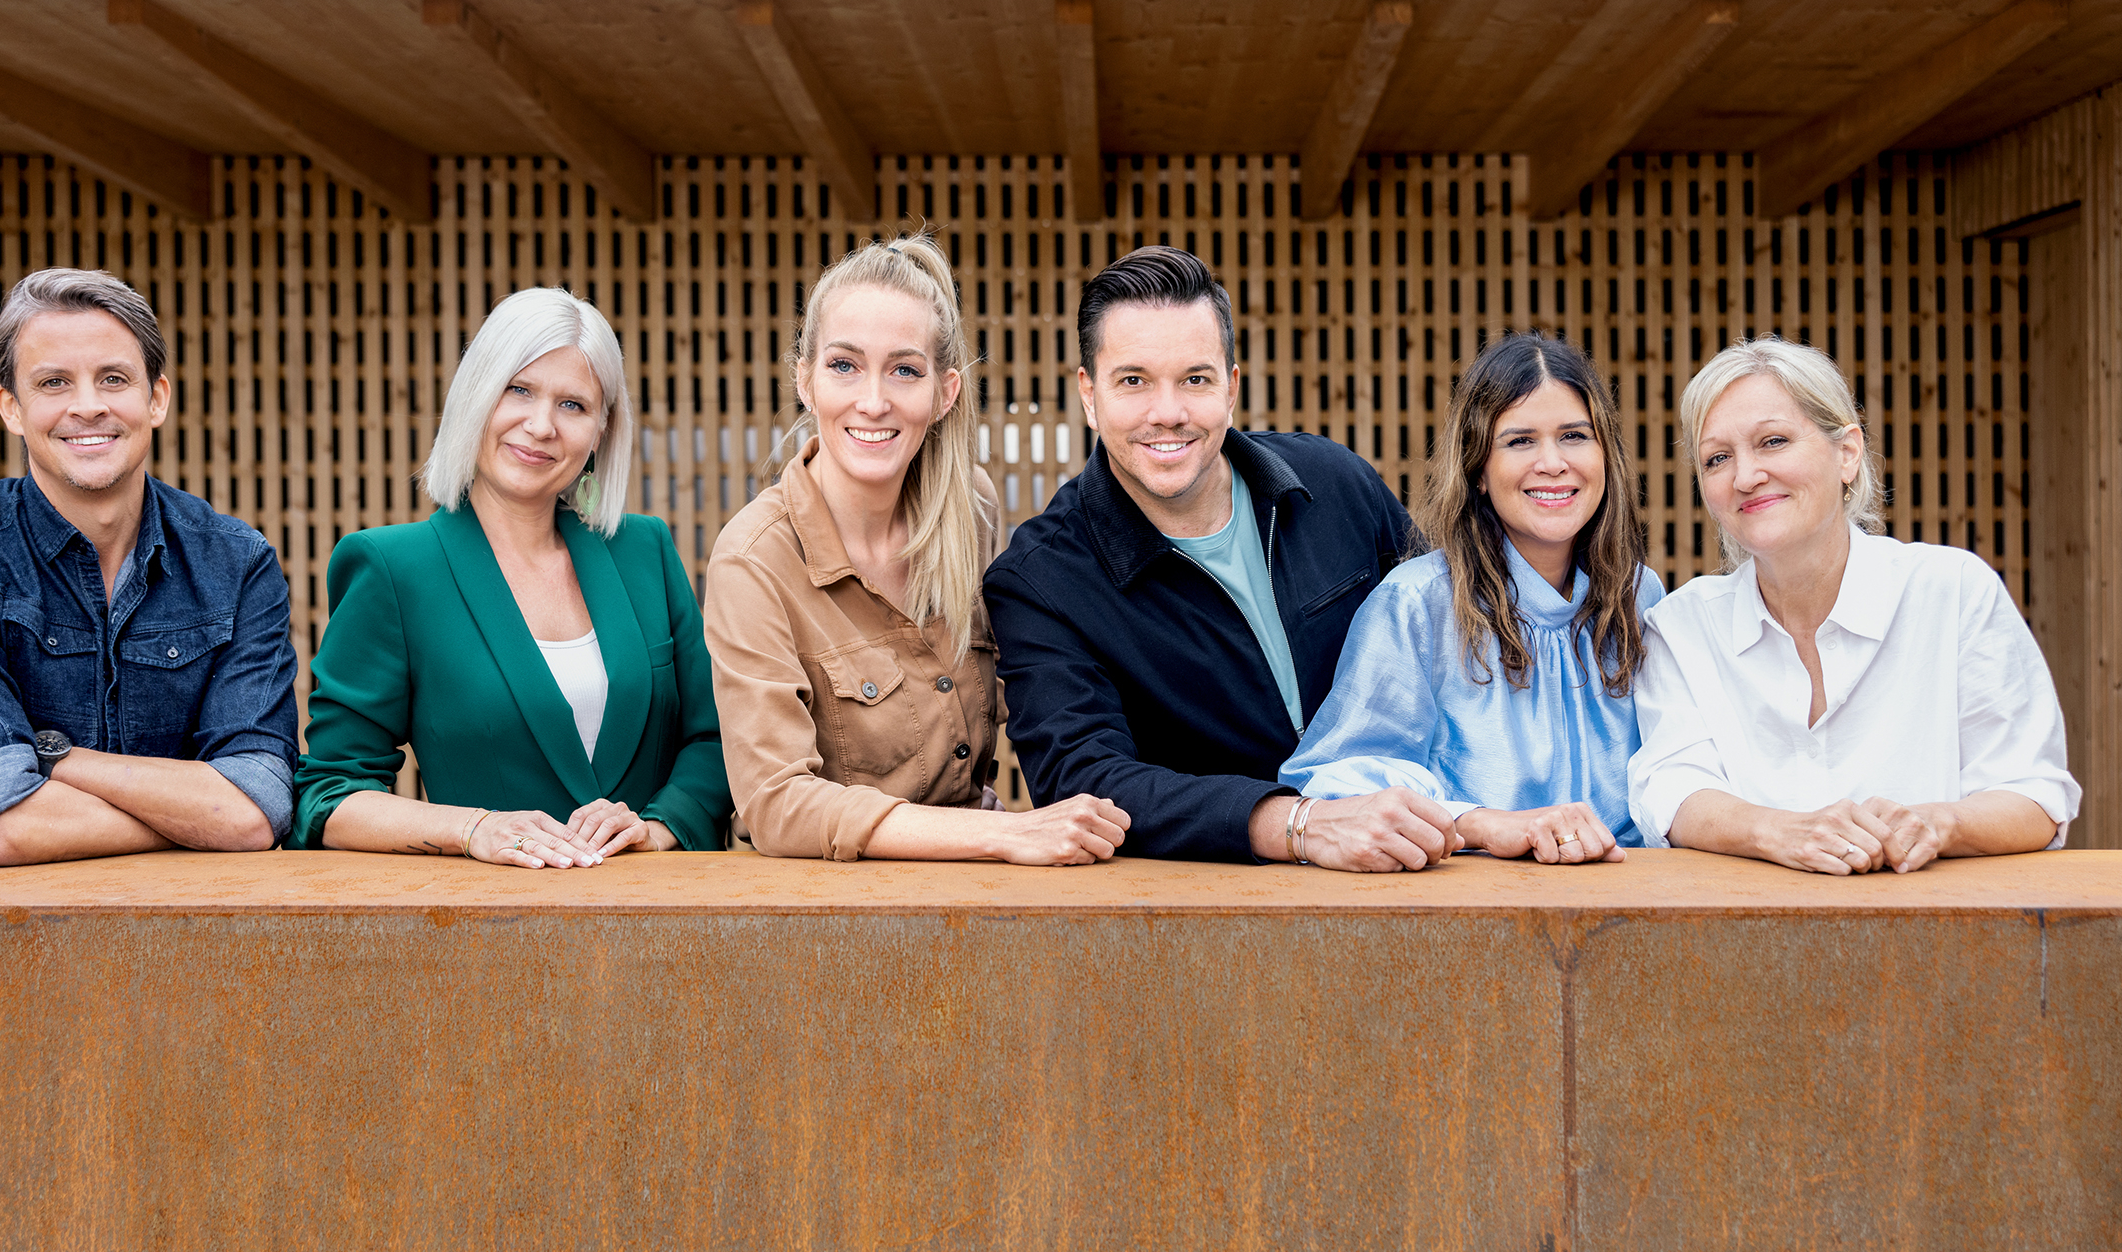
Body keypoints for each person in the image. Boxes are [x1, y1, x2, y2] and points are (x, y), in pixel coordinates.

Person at [984, 245, 1455, 871]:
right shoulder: (1040, 580)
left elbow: (1453, 652)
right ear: (1089, 395)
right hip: (1199, 921)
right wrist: (1296, 823)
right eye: (1134, 381)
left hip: (1415, 868)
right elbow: (1085, 782)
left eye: (1195, 379)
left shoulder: (1338, 486)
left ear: (1231, 387)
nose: (1168, 412)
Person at [703, 235, 1129, 863]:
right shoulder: (754, 559)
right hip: (825, 909)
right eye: (844, 365)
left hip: (967, 887)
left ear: (945, 392)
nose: (873, 401)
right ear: (805, 379)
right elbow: (777, 805)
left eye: (905, 370)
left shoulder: (970, 508)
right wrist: (1002, 834)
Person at [292, 288, 729, 865]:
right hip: (486, 929)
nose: (541, 425)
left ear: (601, 430)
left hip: (659, 923)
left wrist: (659, 825)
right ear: (476, 398)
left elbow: (716, 739)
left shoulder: (643, 549)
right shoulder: (393, 568)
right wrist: (474, 830)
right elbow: (328, 794)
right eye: (518, 390)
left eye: (573, 405)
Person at [0, 268, 298, 865]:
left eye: (113, 379)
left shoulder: (237, 563)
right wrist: (202, 815)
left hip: (203, 935)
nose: (88, 407)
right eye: (53, 383)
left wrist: (51, 758)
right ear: (11, 408)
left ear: (155, 398)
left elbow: (255, 804)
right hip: (14, 939)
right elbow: (3, 828)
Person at [1629, 336, 2078, 872]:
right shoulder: (1681, 624)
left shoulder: (1952, 589)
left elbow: (2035, 794)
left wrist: (1937, 824)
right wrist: (1777, 831)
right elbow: (1672, 789)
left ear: (1847, 453)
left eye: (1773, 441)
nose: (1745, 477)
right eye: (1717, 458)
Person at [1282, 332, 1663, 862]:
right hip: (1474, 907)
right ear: (1478, 469)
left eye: (1574, 435)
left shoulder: (1641, 595)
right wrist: (1481, 824)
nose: (1552, 462)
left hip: (1634, 902)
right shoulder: (1417, 603)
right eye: (1520, 440)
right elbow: (1339, 786)